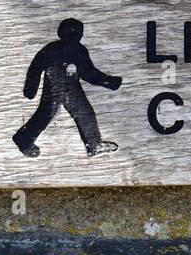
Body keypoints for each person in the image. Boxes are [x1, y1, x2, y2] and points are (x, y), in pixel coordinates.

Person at [14, 18, 122, 157]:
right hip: (70, 88)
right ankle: (93, 144)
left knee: (45, 114)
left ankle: (24, 138)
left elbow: (35, 67)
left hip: (52, 85)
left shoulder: (50, 48)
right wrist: (109, 82)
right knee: (84, 114)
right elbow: (89, 73)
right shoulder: (78, 49)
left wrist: (30, 89)